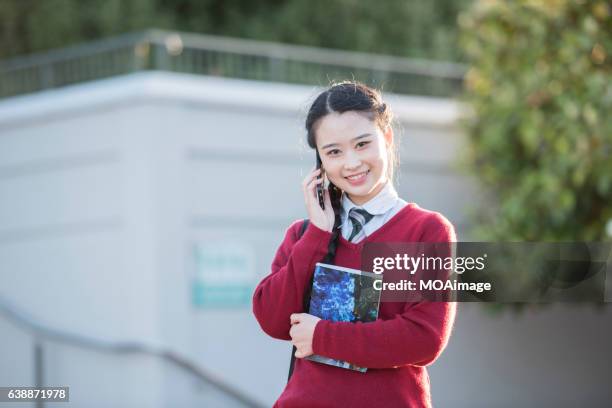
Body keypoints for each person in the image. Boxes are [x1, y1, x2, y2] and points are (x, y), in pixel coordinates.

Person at [252, 81, 457, 408]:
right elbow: (272, 320)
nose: (351, 163)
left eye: (362, 144)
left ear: (387, 139)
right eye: (334, 152)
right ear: (319, 161)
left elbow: (425, 339)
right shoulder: (302, 235)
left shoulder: (428, 231)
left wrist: (321, 337)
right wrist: (317, 235)